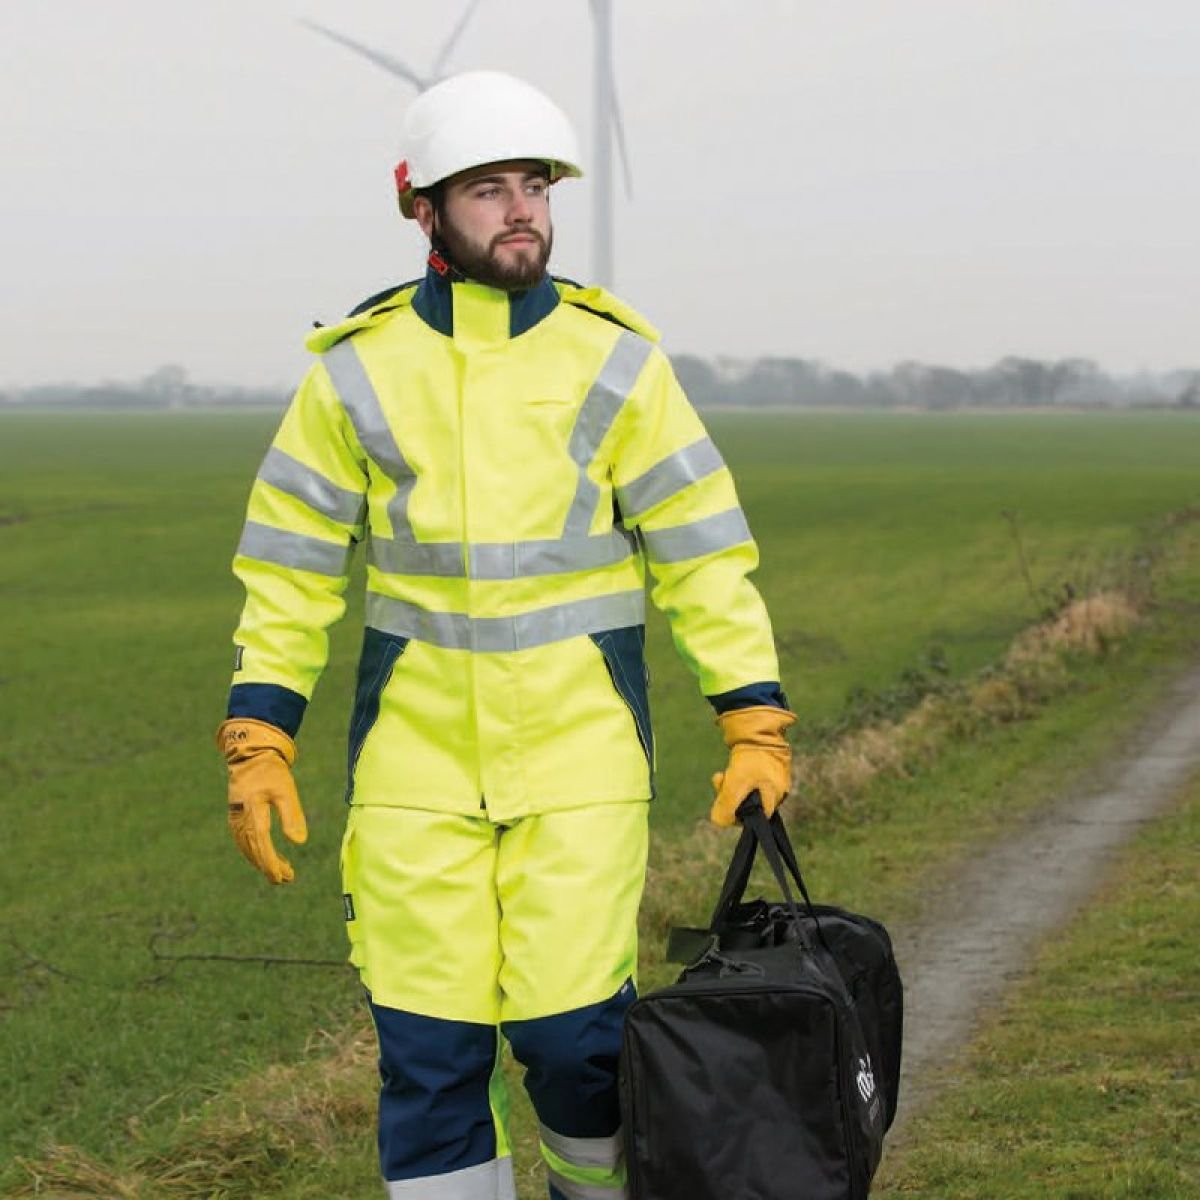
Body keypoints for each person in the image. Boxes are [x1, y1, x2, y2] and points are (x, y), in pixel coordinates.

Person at [216, 69, 794, 1200]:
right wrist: (258, 732)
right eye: (488, 188)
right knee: (429, 1062)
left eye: (535, 184)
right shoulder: (351, 374)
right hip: (411, 773)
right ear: (420, 207)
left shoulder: (619, 359)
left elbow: (703, 553)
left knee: (577, 1047)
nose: (522, 208)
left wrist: (754, 717)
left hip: (579, 766)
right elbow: (287, 571)